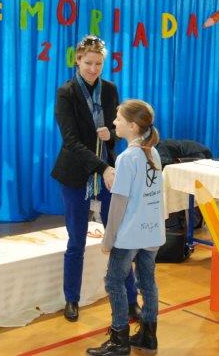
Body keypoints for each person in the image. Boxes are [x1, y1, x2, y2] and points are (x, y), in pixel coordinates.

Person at [52, 35, 140, 322]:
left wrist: (110, 134)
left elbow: (120, 132)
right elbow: (71, 141)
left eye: (98, 64)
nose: (93, 69)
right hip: (77, 172)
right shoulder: (66, 92)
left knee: (119, 237)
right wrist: (103, 168)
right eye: (88, 63)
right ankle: (71, 299)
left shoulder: (110, 89)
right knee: (76, 240)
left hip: (108, 173)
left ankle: (130, 300)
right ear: (77, 61)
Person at [87, 100, 165, 356]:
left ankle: (119, 339)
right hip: (151, 232)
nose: (114, 122)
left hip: (130, 235)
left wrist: (108, 239)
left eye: (118, 119)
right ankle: (149, 336)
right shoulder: (153, 152)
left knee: (113, 282)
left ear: (132, 126)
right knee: (147, 282)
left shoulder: (126, 158)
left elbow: (118, 204)